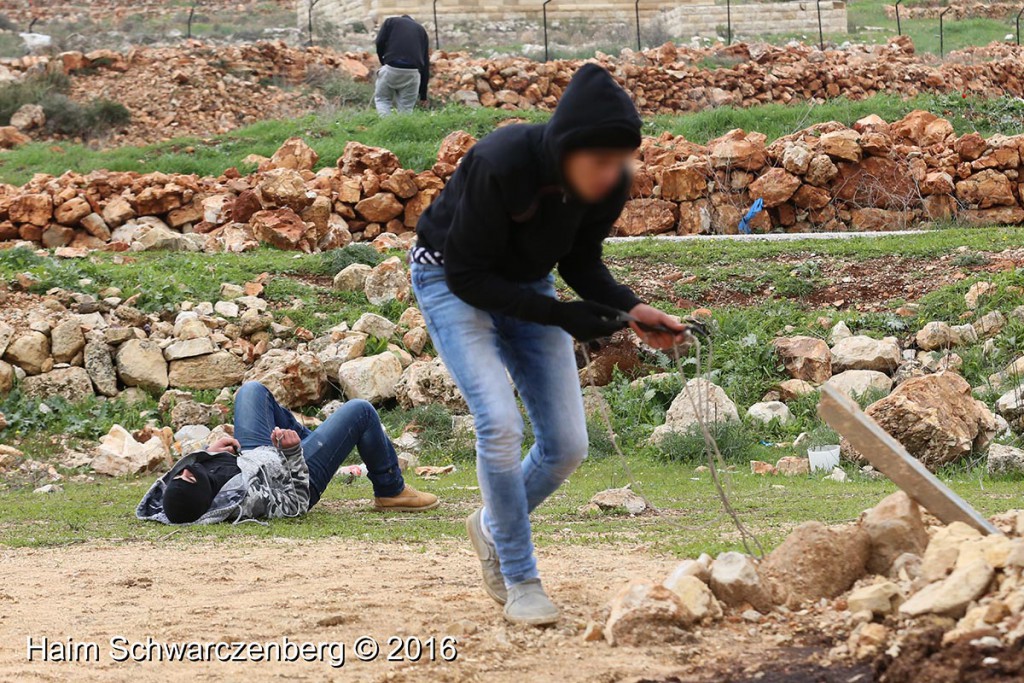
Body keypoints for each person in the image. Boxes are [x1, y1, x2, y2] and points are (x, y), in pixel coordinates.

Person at [410, 64, 691, 626]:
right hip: (450, 279)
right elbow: (468, 276)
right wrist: (562, 316)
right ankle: (520, 578)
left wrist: (633, 309)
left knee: (566, 446)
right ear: (565, 148)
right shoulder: (502, 161)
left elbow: (581, 262)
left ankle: (491, 525)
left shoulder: (609, 184)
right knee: (499, 423)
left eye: (620, 162)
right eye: (599, 162)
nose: (610, 174)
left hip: (527, 285)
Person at [137, 382, 438, 525]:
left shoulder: (193, 487)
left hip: (254, 454)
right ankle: (391, 490)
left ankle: (321, 441)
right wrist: (294, 452)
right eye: (188, 479)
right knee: (360, 411)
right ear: (204, 498)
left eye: (180, 474)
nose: (185, 471)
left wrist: (211, 453)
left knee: (252, 391)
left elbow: (195, 476)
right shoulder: (246, 499)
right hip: (298, 473)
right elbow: (296, 504)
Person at [373, 14, 430, 115]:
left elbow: (379, 42)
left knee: (383, 100)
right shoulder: (421, 30)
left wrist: (384, 62)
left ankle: (387, 126)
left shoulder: (391, 21)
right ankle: (403, 129)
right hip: (413, 72)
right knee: (406, 108)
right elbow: (425, 64)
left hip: (391, 68)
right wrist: (423, 96)